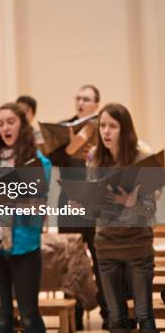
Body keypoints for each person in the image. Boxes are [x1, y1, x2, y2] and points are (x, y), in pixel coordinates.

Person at [76, 103, 157, 333]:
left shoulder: (142, 157)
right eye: (102, 125)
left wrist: (132, 203)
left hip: (137, 243)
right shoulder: (94, 158)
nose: (106, 132)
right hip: (106, 245)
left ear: (125, 129)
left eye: (112, 126)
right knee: (116, 318)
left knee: (144, 315)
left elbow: (151, 209)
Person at [0, 103, 52, 333]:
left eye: (10, 122)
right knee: (0, 318)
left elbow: (39, 205)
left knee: (29, 314)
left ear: (22, 125)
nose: (5, 128)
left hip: (24, 245)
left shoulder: (39, 162)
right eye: (0, 123)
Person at [50, 84, 107, 329]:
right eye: (78, 98)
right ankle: (73, 315)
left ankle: (109, 311)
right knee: (69, 259)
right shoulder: (65, 130)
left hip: (96, 201)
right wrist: (69, 147)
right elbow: (53, 160)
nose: (81, 103)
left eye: (86, 99)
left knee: (101, 256)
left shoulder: (105, 129)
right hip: (69, 200)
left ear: (97, 104)